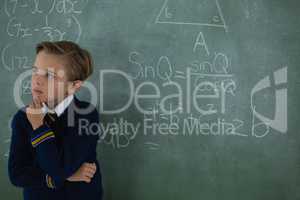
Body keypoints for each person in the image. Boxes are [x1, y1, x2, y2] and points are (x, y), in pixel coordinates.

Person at [8, 41, 103, 200]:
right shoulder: (22, 118)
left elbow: (58, 169)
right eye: (35, 71)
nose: (37, 80)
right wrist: (67, 175)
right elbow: (17, 175)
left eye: (50, 75)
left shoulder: (85, 115)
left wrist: (38, 125)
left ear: (74, 86)